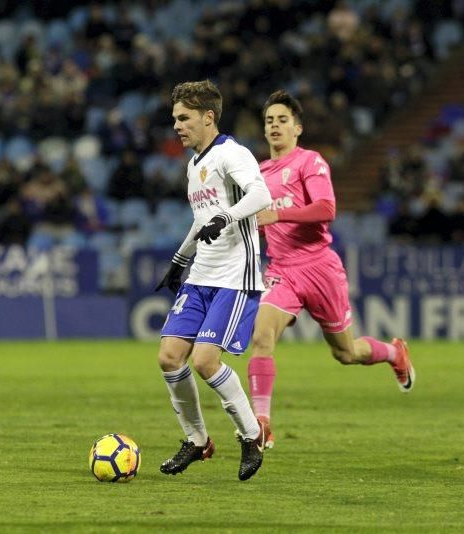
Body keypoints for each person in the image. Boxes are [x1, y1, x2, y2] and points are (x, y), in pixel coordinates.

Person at [246, 91, 415, 449]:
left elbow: (326, 208)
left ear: (297, 128)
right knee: (262, 337)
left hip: (320, 267)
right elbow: (259, 225)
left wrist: (279, 213)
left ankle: (394, 353)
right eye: (269, 121)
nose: (275, 126)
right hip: (282, 271)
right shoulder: (258, 174)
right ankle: (261, 424)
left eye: (282, 120)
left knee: (345, 353)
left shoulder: (310, 162)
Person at [154, 80, 272, 481]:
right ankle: (197, 440)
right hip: (202, 273)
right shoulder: (193, 165)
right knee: (170, 356)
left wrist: (228, 216)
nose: (176, 126)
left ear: (208, 117)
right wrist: (179, 260)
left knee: (205, 361)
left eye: (184, 118)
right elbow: (203, 219)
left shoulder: (232, 154)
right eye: (174, 119)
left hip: (235, 275)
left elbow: (261, 195)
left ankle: (250, 435)